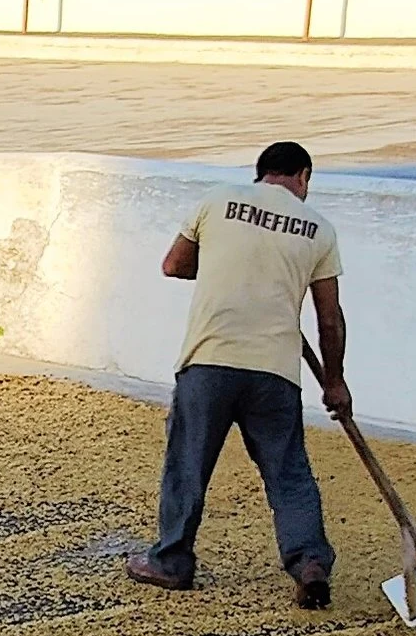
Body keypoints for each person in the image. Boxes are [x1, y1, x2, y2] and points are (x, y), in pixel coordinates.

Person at [128, 142, 348, 608]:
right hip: (275, 370)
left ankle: (170, 563)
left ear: (260, 173)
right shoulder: (320, 230)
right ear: (303, 176)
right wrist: (335, 382)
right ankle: (309, 561)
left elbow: (174, 265)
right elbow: (329, 317)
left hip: (210, 359)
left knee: (188, 464)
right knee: (289, 473)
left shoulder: (216, 200)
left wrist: (225, 271)